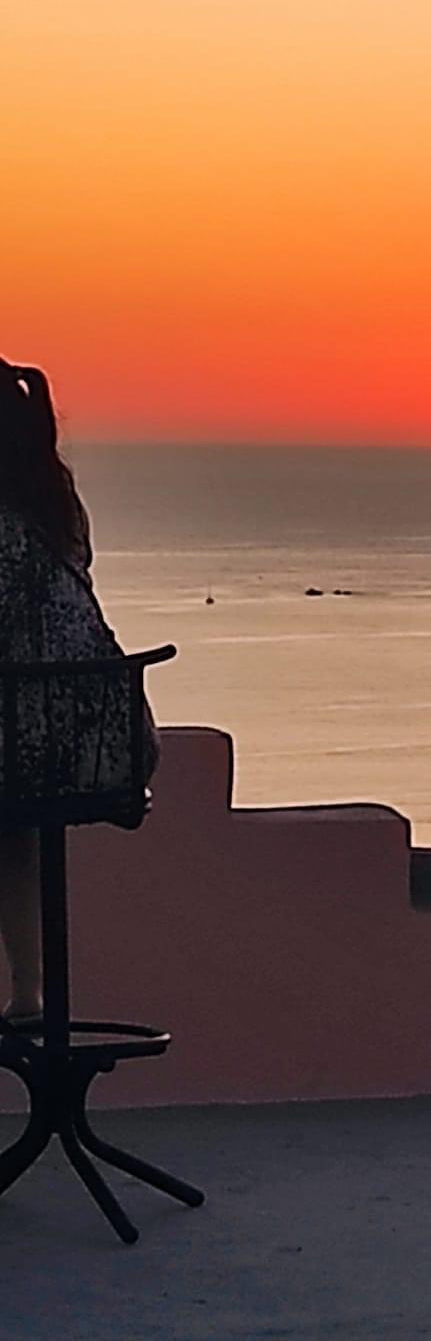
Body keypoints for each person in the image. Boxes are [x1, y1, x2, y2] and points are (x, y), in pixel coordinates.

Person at [0, 362, 158, 1025]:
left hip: (37, 748)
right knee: (13, 828)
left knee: (11, 819)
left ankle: (31, 990)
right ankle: (29, 993)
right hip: (114, 743)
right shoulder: (59, 507)